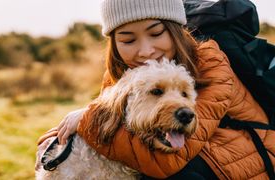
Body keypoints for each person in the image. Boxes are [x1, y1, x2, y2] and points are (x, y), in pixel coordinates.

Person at [37, 0, 275, 179]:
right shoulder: (122, 73)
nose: (145, 51)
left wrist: (88, 120)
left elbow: (168, 159)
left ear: (175, 30)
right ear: (114, 45)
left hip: (249, 160)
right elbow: (110, 127)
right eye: (128, 40)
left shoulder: (211, 61)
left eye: (156, 33)